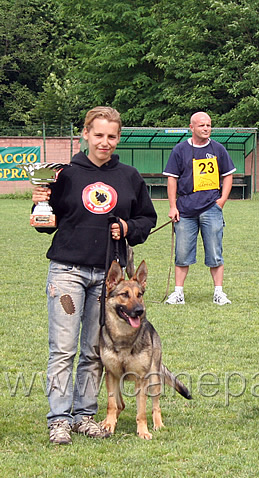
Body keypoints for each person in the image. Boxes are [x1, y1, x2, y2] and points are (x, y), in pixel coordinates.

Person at [32, 106, 157, 445]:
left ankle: (84, 415)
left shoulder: (129, 177)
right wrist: (39, 208)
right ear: (85, 133)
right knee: (63, 349)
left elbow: (147, 220)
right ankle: (59, 418)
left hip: (109, 280)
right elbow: (47, 219)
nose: (105, 142)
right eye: (98, 135)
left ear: (119, 138)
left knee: (92, 350)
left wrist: (128, 227)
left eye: (112, 136)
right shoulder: (65, 174)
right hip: (68, 271)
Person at [163, 112, 236, 305]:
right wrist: (173, 206)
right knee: (182, 252)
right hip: (185, 210)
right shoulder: (179, 150)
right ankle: (178, 293)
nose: (206, 128)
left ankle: (219, 292)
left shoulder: (218, 149)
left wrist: (221, 202)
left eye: (209, 125)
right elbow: (172, 178)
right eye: (202, 125)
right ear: (192, 127)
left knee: (215, 251)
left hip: (211, 208)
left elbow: (228, 175)